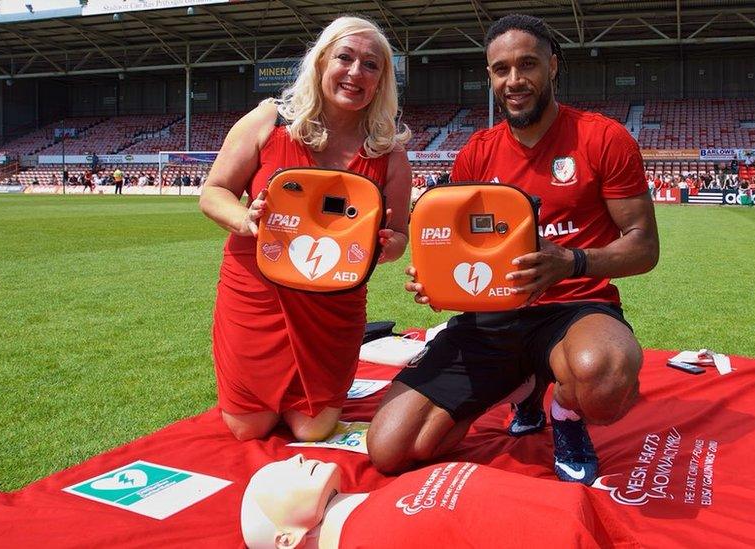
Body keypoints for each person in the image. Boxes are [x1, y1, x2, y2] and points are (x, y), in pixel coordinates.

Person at [367, 14, 658, 486]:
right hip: (492, 316)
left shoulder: (603, 138)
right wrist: (439, 282)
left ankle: (565, 413)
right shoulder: (476, 153)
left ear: (553, 66)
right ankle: (523, 385)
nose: (515, 80)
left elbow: (643, 247)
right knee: (393, 449)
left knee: (603, 379)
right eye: (501, 69)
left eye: (528, 65)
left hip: (574, 309)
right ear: (489, 77)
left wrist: (571, 262)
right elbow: (462, 248)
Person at [199, 16, 412, 442]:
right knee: (248, 427)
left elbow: (400, 234)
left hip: (333, 306)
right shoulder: (268, 121)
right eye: (345, 58)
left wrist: (388, 246)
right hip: (257, 294)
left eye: (371, 65)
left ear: (381, 81)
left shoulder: (390, 154)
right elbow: (213, 191)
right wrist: (246, 219)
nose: (355, 73)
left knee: (314, 427)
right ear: (320, 63)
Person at [241, 455, 638, 549]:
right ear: (286, 539)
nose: (294, 458)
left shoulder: (385, 493)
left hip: (591, 517)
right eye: (276, 476)